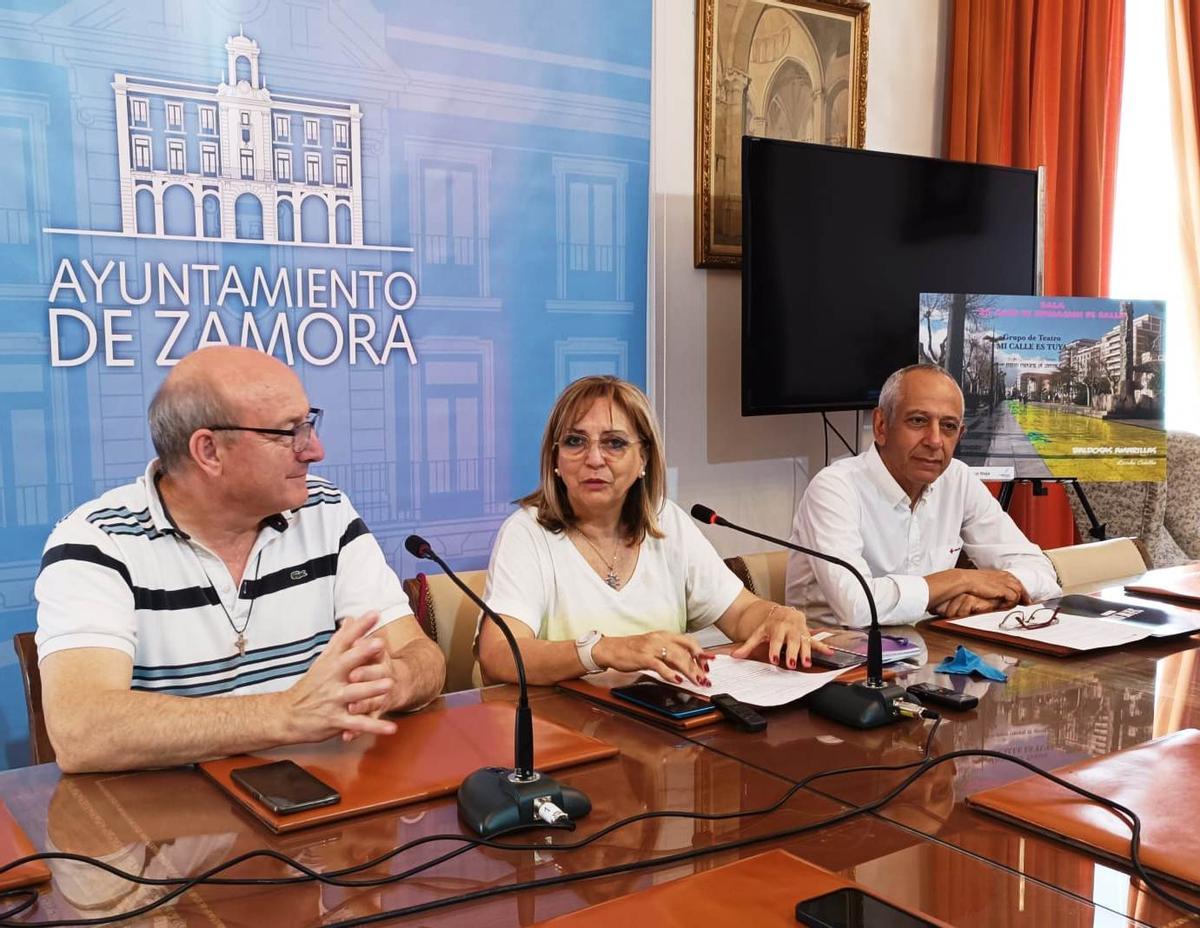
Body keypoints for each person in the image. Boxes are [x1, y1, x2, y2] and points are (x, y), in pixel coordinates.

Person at [35, 346, 445, 773]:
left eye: (309, 424)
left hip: (317, 800)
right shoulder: (98, 541)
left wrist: (393, 683)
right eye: (289, 433)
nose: (314, 450)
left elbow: (423, 656)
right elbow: (81, 731)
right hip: (166, 820)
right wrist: (287, 714)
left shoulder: (325, 509)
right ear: (209, 451)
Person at [477, 375, 829, 686]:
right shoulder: (527, 531)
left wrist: (778, 616)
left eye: (614, 443)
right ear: (555, 459)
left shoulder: (666, 521)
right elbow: (499, 654)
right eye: (575, 442)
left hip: (659, 728)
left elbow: (738, 613)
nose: (594, 458)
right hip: (565, 732)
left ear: (643, 458)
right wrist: (604, 650)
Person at [786, 363, 1060, 627]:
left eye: (949, 426)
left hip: (931, 652)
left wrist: (992, 595)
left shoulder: (958, 478)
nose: (935, 440)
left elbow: (1042, 573)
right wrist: (960, 580)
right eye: (918, 421)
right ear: (881, 426)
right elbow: (857, 606)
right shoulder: (835, 487)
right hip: (838, 662)